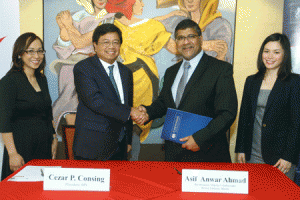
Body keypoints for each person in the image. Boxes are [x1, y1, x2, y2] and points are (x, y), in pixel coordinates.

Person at [136, 19, 238, 162]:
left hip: (207, 155)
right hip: (174, 155)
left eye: (191, 36)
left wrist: (200, 138)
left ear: (200, 39)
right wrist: (148, 112)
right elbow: (164, 103)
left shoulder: (220, 69)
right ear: (176, 42)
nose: (186, 42)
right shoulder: (171, 72)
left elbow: (227, 113)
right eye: (180, 38)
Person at [106, 0, 176, 160]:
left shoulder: (152, 26)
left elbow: (175, 47)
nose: (143, 5)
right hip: (118, 80)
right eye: (139, 2)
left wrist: (205, 45)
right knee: (118, 123)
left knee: (136, 125)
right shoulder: (110, 26)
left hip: (144, 79)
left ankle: (132, 167)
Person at [73, 24, 145, 161]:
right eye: (106, 42)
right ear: (95, 45)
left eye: (115, 42)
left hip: (121, 145)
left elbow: (126, 103)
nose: (111, 47)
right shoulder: (83, 68)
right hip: (93, 146)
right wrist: (131, 111)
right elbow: (96, 101)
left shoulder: (126, 72)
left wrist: (128, 140)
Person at [235, 33, 300, 180]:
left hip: (280, 159)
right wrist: (240, 149)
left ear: (285, 55)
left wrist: (288, 156)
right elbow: (244, 117)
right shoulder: (251, 81)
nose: (270, 56)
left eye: (276, 52)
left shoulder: (294, 82)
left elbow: (296, 124)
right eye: (266, 51)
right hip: (251, 155)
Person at [50, 0, 115, 131]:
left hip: (97, 66)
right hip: (71, 64)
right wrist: (63, 28)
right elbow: (64, 47)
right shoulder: (76, 15)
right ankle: (73, 145)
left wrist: (68, 26)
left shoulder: (111, 18)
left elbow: (80, 43)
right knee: (70, 103)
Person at [0, 33, 58, 180]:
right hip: (21, 148)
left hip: (44, 146)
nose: (36, 55)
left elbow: (47, 112)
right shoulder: (9, 81)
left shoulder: (41, 78)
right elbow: (4, 121)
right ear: (20, 54)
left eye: (40, 51)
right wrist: (12, 153)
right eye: (30, 51)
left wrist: (53, 138)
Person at [156, 0, 232, 62]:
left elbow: (222, 61)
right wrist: (166, 16)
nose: (189, 1)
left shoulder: (220, 26)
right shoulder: (178, 21)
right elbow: (147, 26)